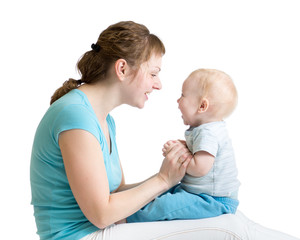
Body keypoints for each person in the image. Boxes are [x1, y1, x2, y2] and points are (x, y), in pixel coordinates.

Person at [30, 21, 299, 240]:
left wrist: (173, 175)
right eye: (154, 73)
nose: (158, 85)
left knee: (231, 219)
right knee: (231, 231)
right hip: (79, 236)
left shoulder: (103, 120)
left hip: (101, 229)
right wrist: (162, 180)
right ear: (122, 68)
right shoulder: (76, 115)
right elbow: (102, 214)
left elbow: (117, 192)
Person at [126, 68, 240, 223]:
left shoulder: (208, 133)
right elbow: (201, 154)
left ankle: (126, 219)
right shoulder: (207, 129)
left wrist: (179, 154)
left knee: (166, 205)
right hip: (199, 194)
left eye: (183, 95)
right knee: (164, 193)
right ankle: (130, 206)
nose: (178, 101)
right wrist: (184, 145)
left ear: (202, 106)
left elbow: (200, 168)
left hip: (213, 201)